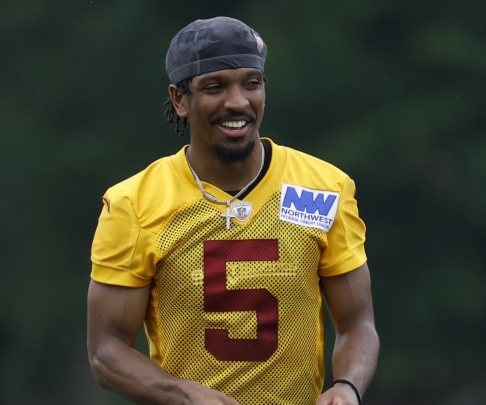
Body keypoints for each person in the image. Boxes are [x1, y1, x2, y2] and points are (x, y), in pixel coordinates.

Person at [86, 16, 379, 405]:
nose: (237, 101)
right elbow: (106, 350)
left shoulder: (324, 188)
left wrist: (347, 387)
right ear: (179, 99)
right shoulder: (133, 204)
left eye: (251, 84)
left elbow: (358, 323)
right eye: (215, 87)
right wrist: (183, 394)